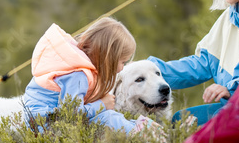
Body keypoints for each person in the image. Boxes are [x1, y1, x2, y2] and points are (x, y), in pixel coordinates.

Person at [23, 17, 153, 133]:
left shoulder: (76, 64)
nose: (122, 68)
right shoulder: (77, 75)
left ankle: (140, 129)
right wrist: (102, 104)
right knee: (109, 119)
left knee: (110, 117)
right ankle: (144, 135)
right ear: (108, 58)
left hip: (46, 122)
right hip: (47, 128)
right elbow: (72, 116)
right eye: (122, 62)